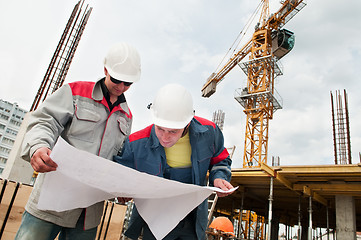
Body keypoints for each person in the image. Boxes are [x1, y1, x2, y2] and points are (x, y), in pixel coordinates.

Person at [15, 42, 141, 240]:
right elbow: (45, 121)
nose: (121, 87)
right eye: (117, 80)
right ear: (106, 69)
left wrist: (120, 188)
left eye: (128, 83)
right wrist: (38, 146)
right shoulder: (75, 92)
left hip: (88, 213)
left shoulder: (126, 116)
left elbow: (117, 159)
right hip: (52, 201)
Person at [114, 83, 234, 240]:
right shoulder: (136, 143)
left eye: (173, 131)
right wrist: (124, 190)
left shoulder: (209, 133)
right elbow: (121, 175)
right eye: (160, 129)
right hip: (154, 221)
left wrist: (219, 177)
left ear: (188, 122)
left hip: (192, 220)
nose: (165, 137)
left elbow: (221, 160)